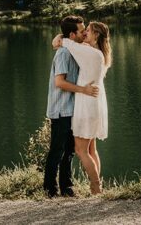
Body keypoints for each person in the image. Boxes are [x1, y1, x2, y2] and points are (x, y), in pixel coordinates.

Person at [51, 21, 112, 195]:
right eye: (83, 30)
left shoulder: (89, 52)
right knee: (92, 149)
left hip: (86, 105)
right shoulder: (99, 53)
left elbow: (57, 41)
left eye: (88, 30)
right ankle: (97, 188)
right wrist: (82, 42)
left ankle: (96, 187)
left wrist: (67, 39)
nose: (84, 33)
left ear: (96, 35)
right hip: (95, 103)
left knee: (81, 150)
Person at [44, 15, 98, 198]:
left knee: (69, 152)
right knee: (57, 151)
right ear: (73, 34)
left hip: (73, 109)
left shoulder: (74, 49)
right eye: (81, 30)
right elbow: (59, 82)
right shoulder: (64, 53)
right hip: (61, 109)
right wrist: (83, 90)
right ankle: (49, 189)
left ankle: (67, 188)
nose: (84, 33)